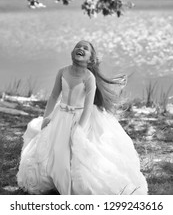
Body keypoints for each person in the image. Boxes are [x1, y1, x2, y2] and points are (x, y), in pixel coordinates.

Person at [17, 40, 148, 195]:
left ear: (90, 59)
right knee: (53, 150)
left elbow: (87, 106)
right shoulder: (62, 72)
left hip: (79, 117)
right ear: (72, 53)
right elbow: (53, 96)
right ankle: (55, 177)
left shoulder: (89, 78)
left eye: (85, 48)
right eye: (77, 46)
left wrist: (80, 129)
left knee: (75, 151)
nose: (80, 48)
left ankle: (68, 183)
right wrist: (46, 117)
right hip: (60, 116)